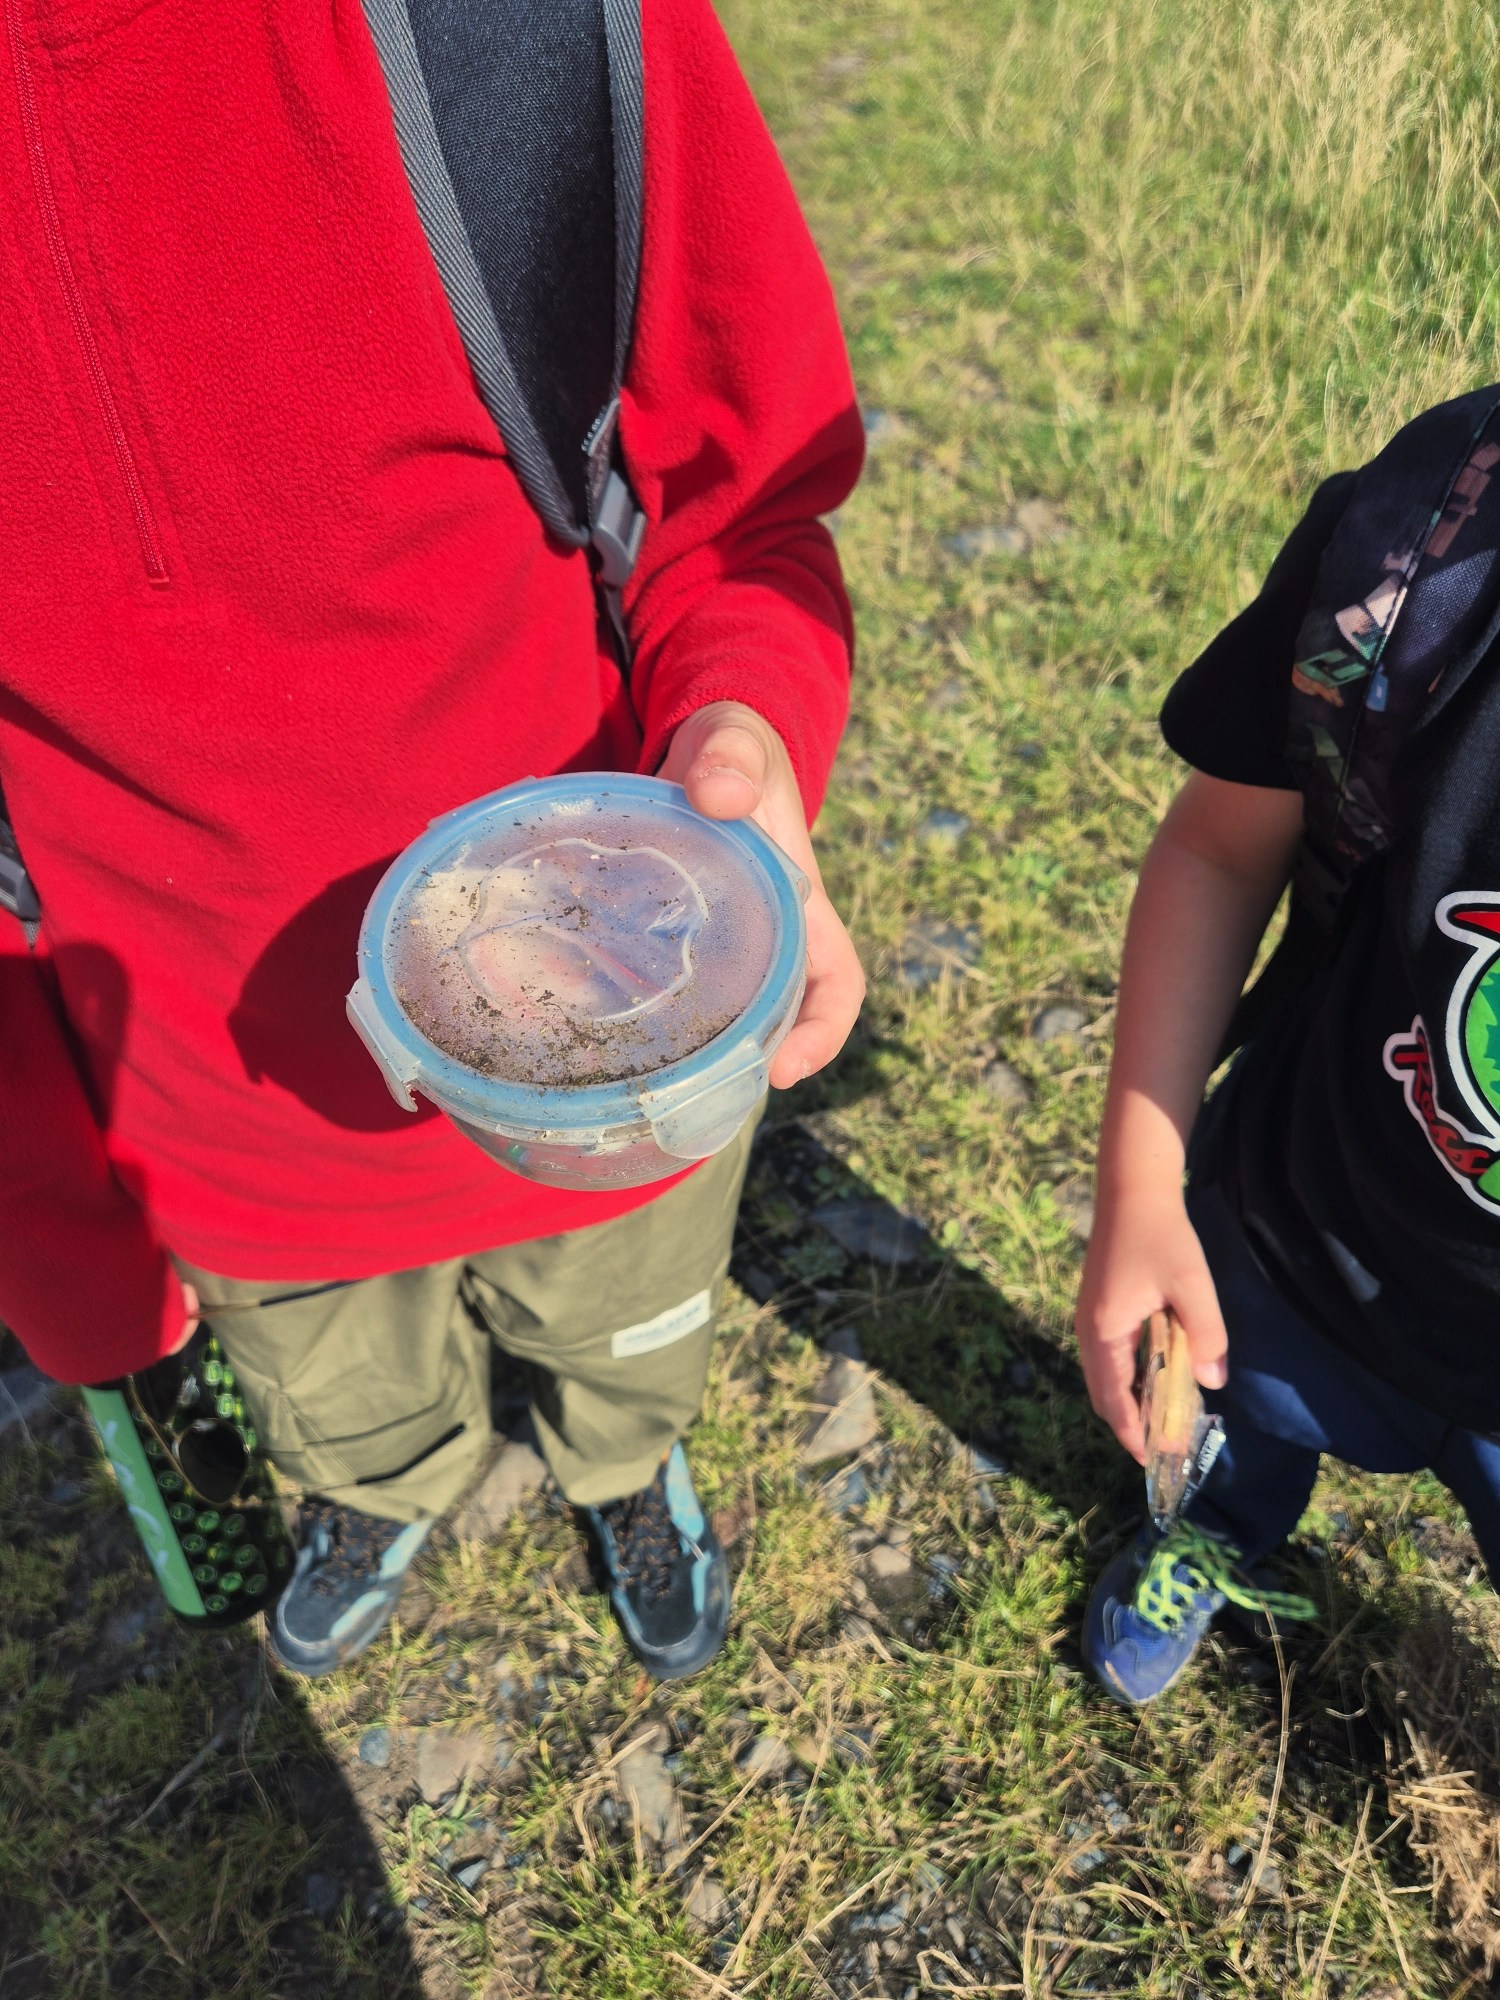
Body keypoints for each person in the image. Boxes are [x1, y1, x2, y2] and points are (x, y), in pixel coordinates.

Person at [0, 0, 864, 1682]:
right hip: (210, 1120)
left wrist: (742, 707)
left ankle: (621, 1464)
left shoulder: (512, 29)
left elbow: (735, 496)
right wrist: (74, 1266)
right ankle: (375, 1492)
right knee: (338, 1395)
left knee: (623, 1334)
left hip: (610, 1043)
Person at [1075, 419, 1500, 1704]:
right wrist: (1140, 1189)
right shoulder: (1429, 549)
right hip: (1304, 1215)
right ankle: (1211, 1522)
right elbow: (1219, 847)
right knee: (1226, 1427)